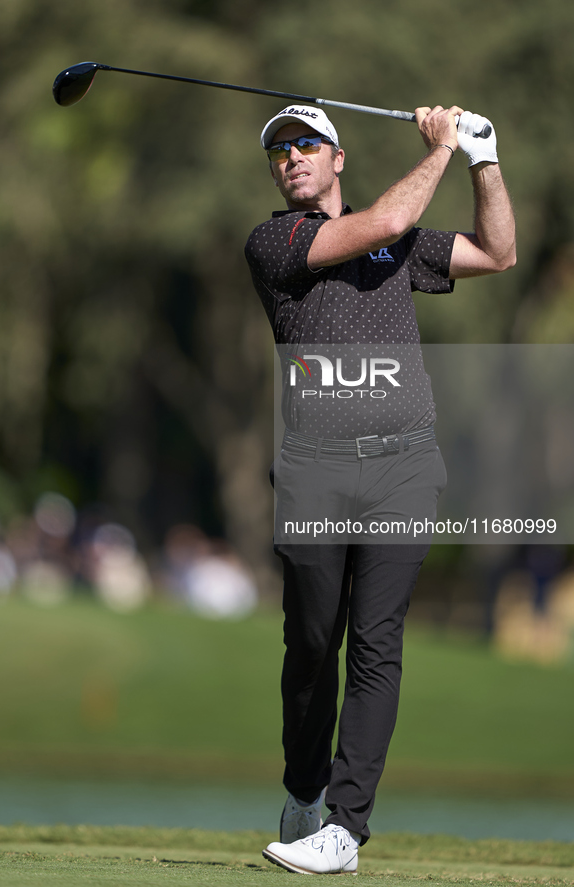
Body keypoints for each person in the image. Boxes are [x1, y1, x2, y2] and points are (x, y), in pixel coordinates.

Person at [244, 103, 516, 875]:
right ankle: (303, 788)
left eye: (306, 145)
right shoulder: (276, 241)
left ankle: (344, 826)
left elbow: (499, 252)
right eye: (279, 150)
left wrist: (482, 157)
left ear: (338, 158)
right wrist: (439, 148)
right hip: (313, 470)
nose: (291, 157)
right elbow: (385, 221)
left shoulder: (398, 247)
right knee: (313, 642)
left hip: (403, 465)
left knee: (375, 642)